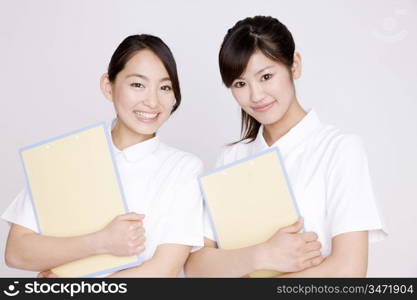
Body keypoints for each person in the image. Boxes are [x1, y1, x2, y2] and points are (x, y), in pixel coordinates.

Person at [185, 16, 387, 277]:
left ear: (295, 65)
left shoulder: (339, 150)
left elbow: (349, 271)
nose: (256, 95)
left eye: (266, 76)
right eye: (240, 84)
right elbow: (196, 267)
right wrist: (261, 255)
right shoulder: (231, 158)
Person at [2, 34, 204, 277]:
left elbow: (164, 271)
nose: (152, 101)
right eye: (137, 84)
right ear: (108, 87)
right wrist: (100, 242)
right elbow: (17, 252)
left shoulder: (183, 168)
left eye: (164, 87)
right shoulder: (65, 156)